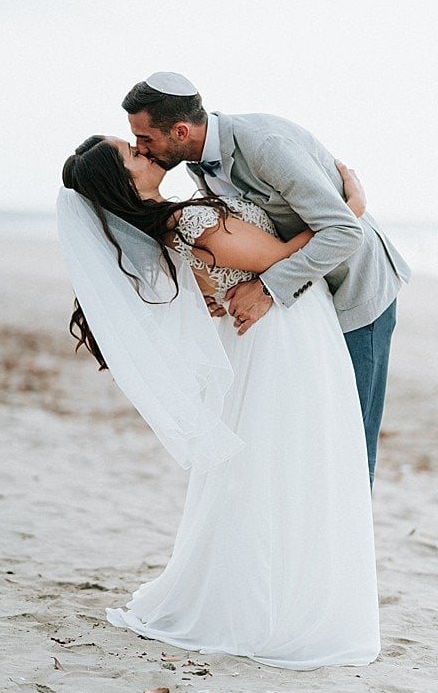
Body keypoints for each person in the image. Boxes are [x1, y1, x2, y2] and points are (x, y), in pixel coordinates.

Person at [59, 135, 380, 669]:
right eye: (133, 155)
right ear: (124, 182)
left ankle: (280, 586)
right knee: (286, 462)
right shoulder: (187, 222)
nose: (146, 152)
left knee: (274, 465)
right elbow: (280, 255)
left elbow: (217, 280)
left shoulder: (172, 217)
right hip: (284, 334)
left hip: (271, 331)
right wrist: (351, 210)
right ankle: (273, 600)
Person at [123, 72, 409, 486]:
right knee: (315, 433)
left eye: (145, 138)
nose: (140, 147)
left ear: (181, 130)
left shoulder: (264, 144)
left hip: (355, 290)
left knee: (351, 434)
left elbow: (344, 230)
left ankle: (351, 545)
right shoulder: (197, 164)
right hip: (311, 299)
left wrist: (268, 288)